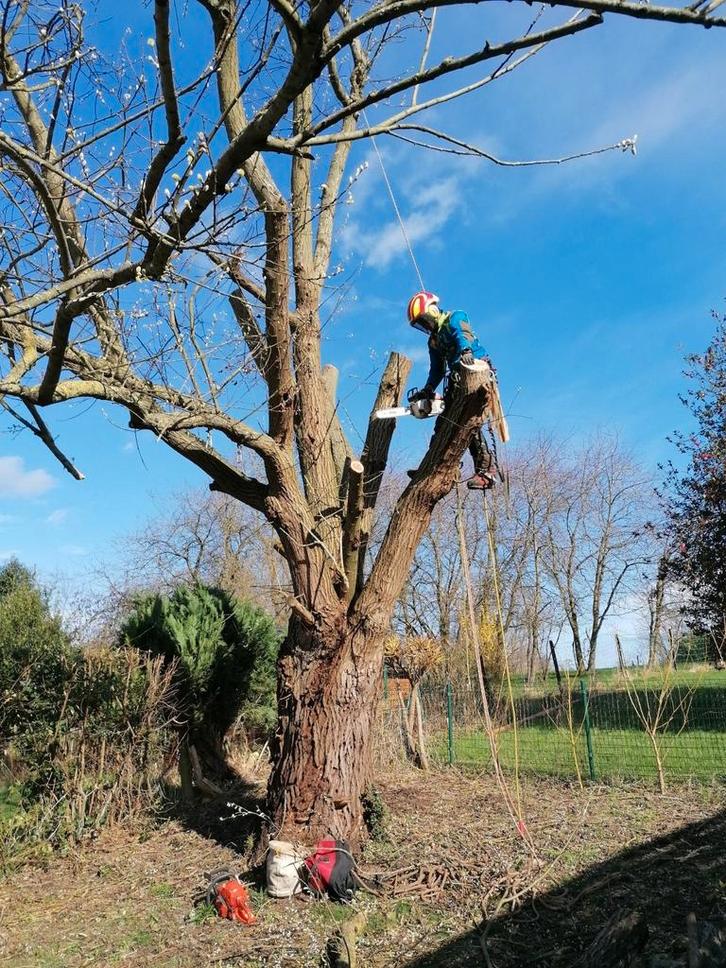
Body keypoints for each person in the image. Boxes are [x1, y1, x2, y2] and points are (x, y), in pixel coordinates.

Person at [406, 290, 496, 490]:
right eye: (420, 324)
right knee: (443, 423)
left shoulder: (454, 317)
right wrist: (428, 388)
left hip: (475, 375)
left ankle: (486, 470)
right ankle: (434, 467)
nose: (425, 325)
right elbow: (437, 369)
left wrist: (466, 350)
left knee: (470, 425)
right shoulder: (434, 341)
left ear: (431, 310)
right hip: (455, 380)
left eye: (424, 320)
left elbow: (462, 333)